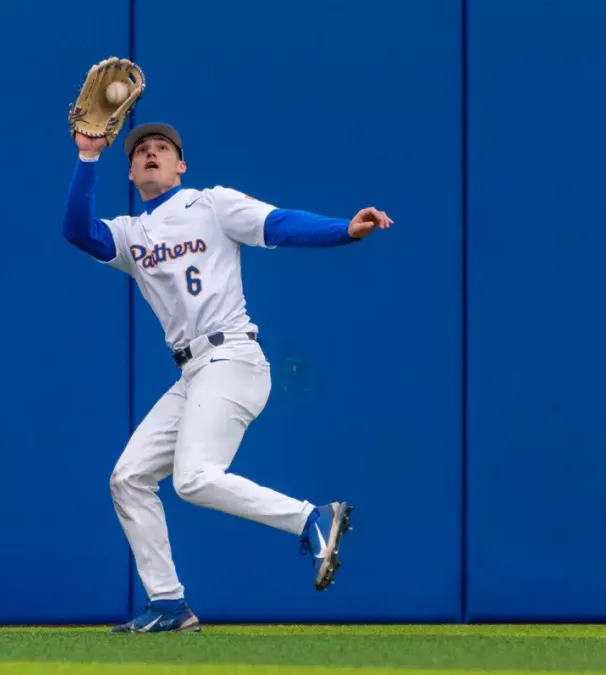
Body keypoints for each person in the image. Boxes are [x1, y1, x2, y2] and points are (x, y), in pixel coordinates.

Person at [62, 122, 392, 633]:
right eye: (141, 151)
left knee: (193, 479)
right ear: (129, 170)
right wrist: (87, 156)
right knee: (128, 478)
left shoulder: (210, 204)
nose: (151, 154)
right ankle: (168, 604)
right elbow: (79, 232)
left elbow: (279, 224)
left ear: (181, 164)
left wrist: (342, 230)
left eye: (163, 149)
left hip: (232, 357)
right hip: (193, 371)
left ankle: (311, 517)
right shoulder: (131, 233)